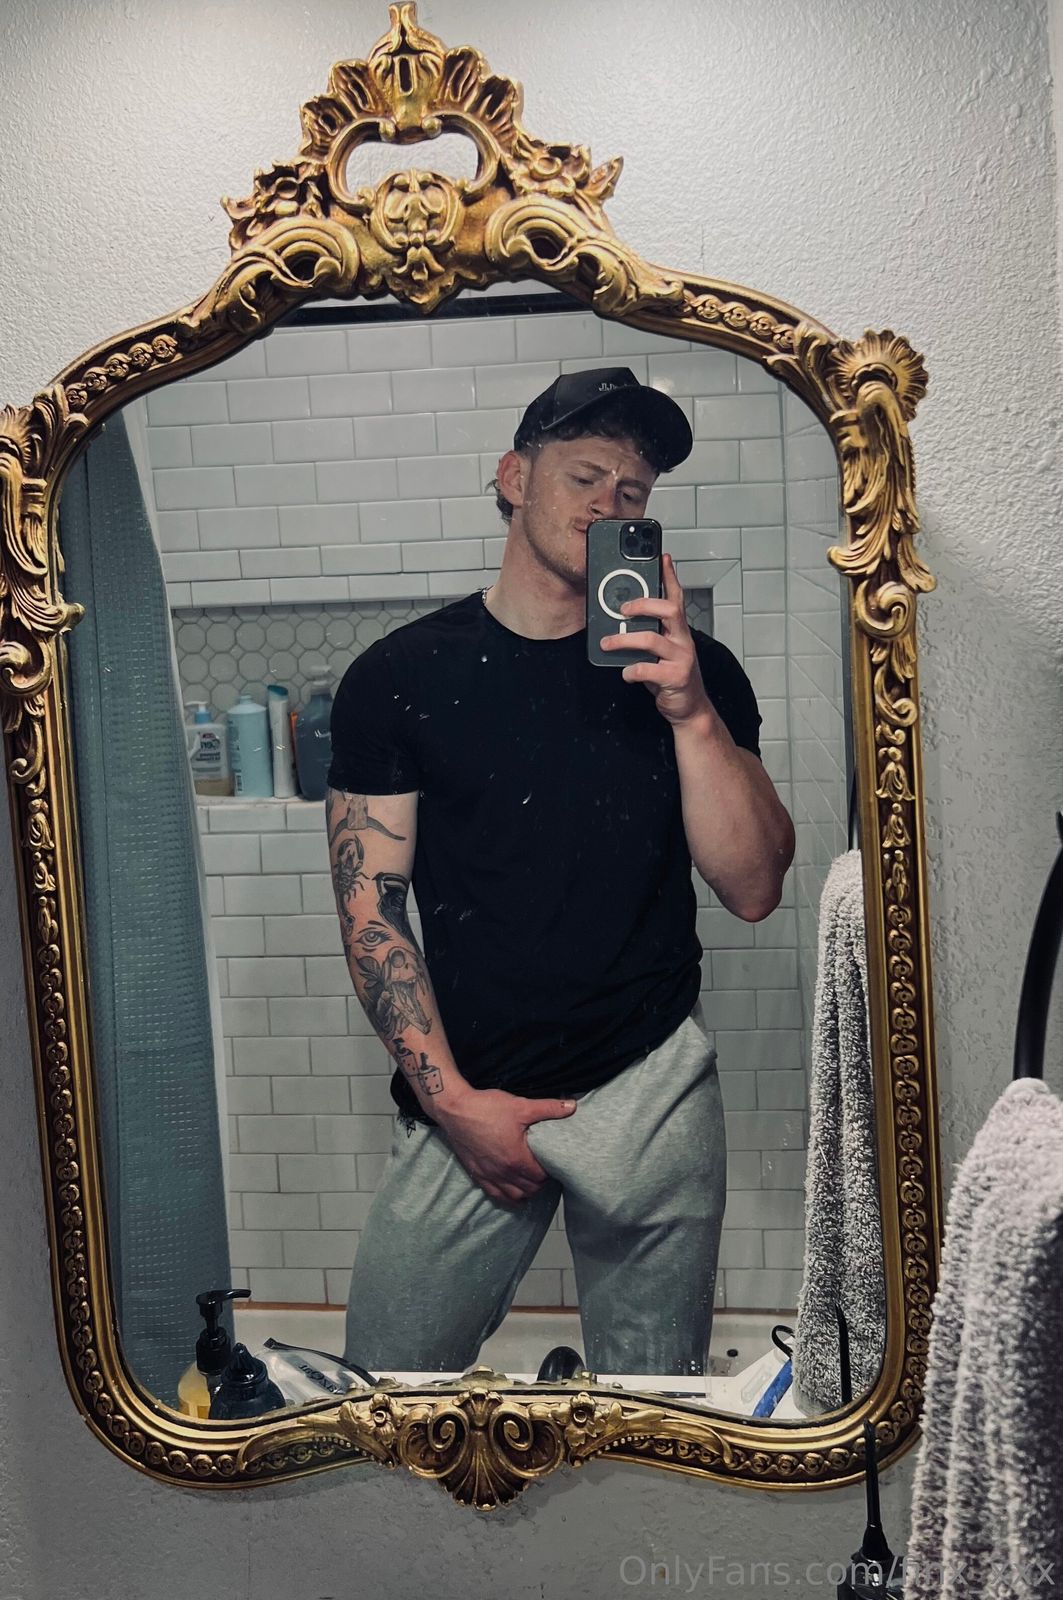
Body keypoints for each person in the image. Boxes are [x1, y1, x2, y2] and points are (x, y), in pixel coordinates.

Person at [325, 366, 794, 1378]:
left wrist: (690, 712)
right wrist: (451, 1102)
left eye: (632, 493)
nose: (606, 505)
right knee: (384, 1386)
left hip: (649, 1080)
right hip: (469, 1085)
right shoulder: (398, 678)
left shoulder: (698, 673)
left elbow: (755, 887)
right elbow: (373, 912)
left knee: (655, 1406)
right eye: (584, 476)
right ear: (513, 478)